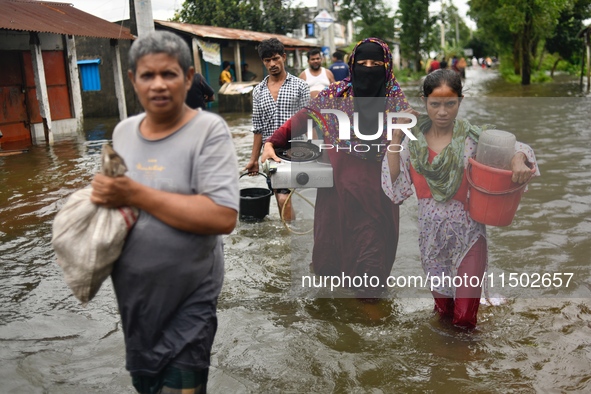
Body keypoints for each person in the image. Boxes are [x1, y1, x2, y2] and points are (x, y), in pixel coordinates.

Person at [90, 30, 239, 393]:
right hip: (136, 300)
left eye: (169, 74)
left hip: (191, 296)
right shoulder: (123, 132)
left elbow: (223, 216)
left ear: (188, 78)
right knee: (149, 387)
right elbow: (120, 204)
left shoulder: (209, 130)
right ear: (132, 80)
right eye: (147, 75)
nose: (158, 85)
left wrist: (134, 192)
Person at [382, 69, 539, 329]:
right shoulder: (412, 141)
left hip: (469, 237)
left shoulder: (473, 139)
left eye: (450, 103)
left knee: (465, 320)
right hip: (431, 242)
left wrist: (517, 159)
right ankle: (446, 366)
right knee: (443, 315)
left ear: (461, 101)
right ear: (424, 101)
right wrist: (396, 138)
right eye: (435, 104)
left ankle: (465, 365)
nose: (442, 112)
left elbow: (519, 148)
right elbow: (394, 185)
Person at [261, 38, 412, 300]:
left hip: (376, 200)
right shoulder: (336, 95)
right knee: (331, 271)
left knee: (370, 272)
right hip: (336, 196)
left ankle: (369, 327)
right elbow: (303, 117)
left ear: (386, 67)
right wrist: (272, 142)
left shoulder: (397, 104)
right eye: (362, 63)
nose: (368, 69)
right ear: (353, 65)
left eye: (375, 64)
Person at [244, 38, 310, 221]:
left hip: (297, 151)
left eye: (275, 58)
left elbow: (309, 122)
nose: (272, 64)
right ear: (263, 62)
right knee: (281, 197)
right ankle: (291, 237)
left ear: (284, 57)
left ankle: (292, 240)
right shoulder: (258, 91)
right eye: (267, 60)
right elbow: (258, 128)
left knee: (285, 198)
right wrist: (253, 160)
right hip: (271, 154)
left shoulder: (300, 86)